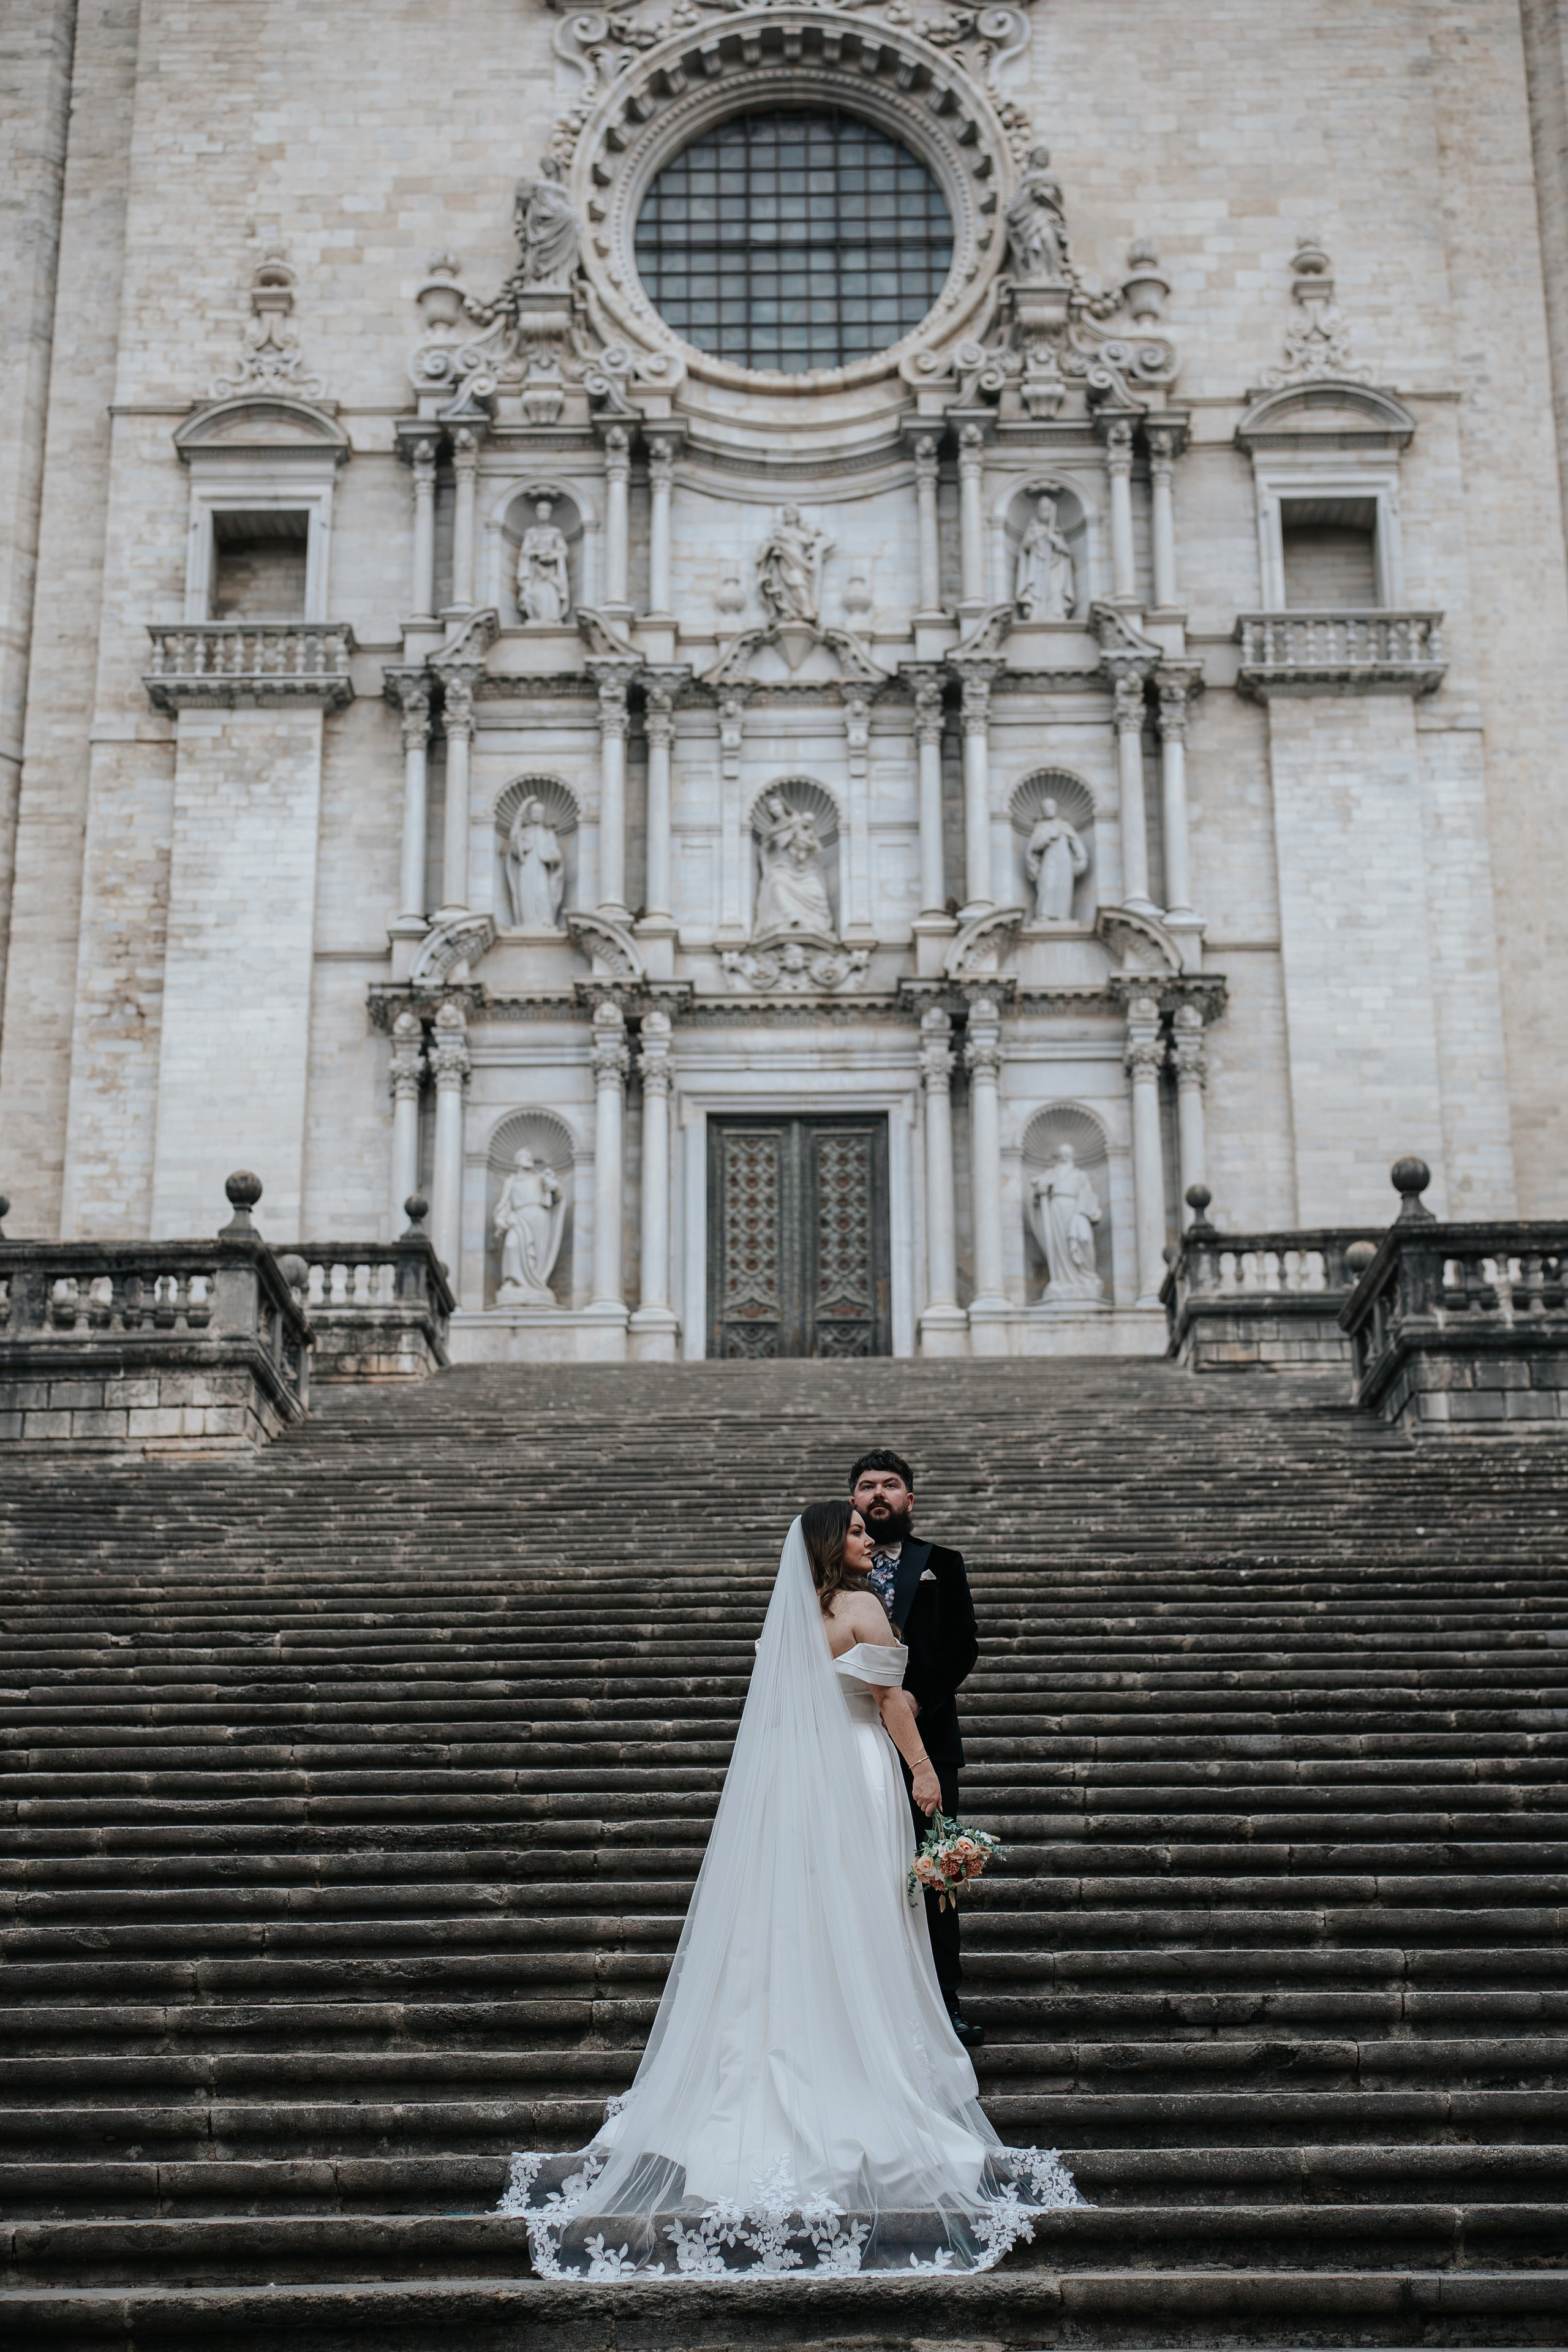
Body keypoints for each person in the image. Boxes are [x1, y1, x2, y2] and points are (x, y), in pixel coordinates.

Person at [497, 1502, 1079, 2277]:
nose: (870, 1541)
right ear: (828, 1546)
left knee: (801, 1922)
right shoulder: (864, 1607)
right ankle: (863, 2061)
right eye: (857, 1533)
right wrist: (925, 1771)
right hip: (858, 1770)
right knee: (864, 1914)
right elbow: (889, 1701)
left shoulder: (794, 1618)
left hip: (799, 1785)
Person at [850, 1449, 982, 2048]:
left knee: (936, 1871)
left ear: (909, 1500)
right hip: (849, 1741)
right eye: (866, 1486)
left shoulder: (942, 1564)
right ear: (852, 1502)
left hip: (928, 1737)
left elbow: (961, 1647)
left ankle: (944, 2000)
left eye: (891, 1485)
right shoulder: (830, 1570)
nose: (879, 1494)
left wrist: (911, 1705)